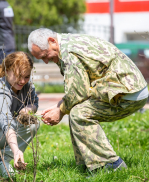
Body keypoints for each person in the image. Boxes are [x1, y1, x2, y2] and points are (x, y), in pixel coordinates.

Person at [28, 28, 149, 172]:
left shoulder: (68, 53)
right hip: (127, 89)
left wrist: (59, 111)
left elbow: (79, 92)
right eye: (41, 59)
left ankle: (111, 165)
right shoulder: (67, 42)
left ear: (52, 41)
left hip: (127, 93)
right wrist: (59, 106)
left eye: (45, 55)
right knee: (76, 109)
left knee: (79, 113)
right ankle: (87, 165)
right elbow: (78, 88)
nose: (46, 61)